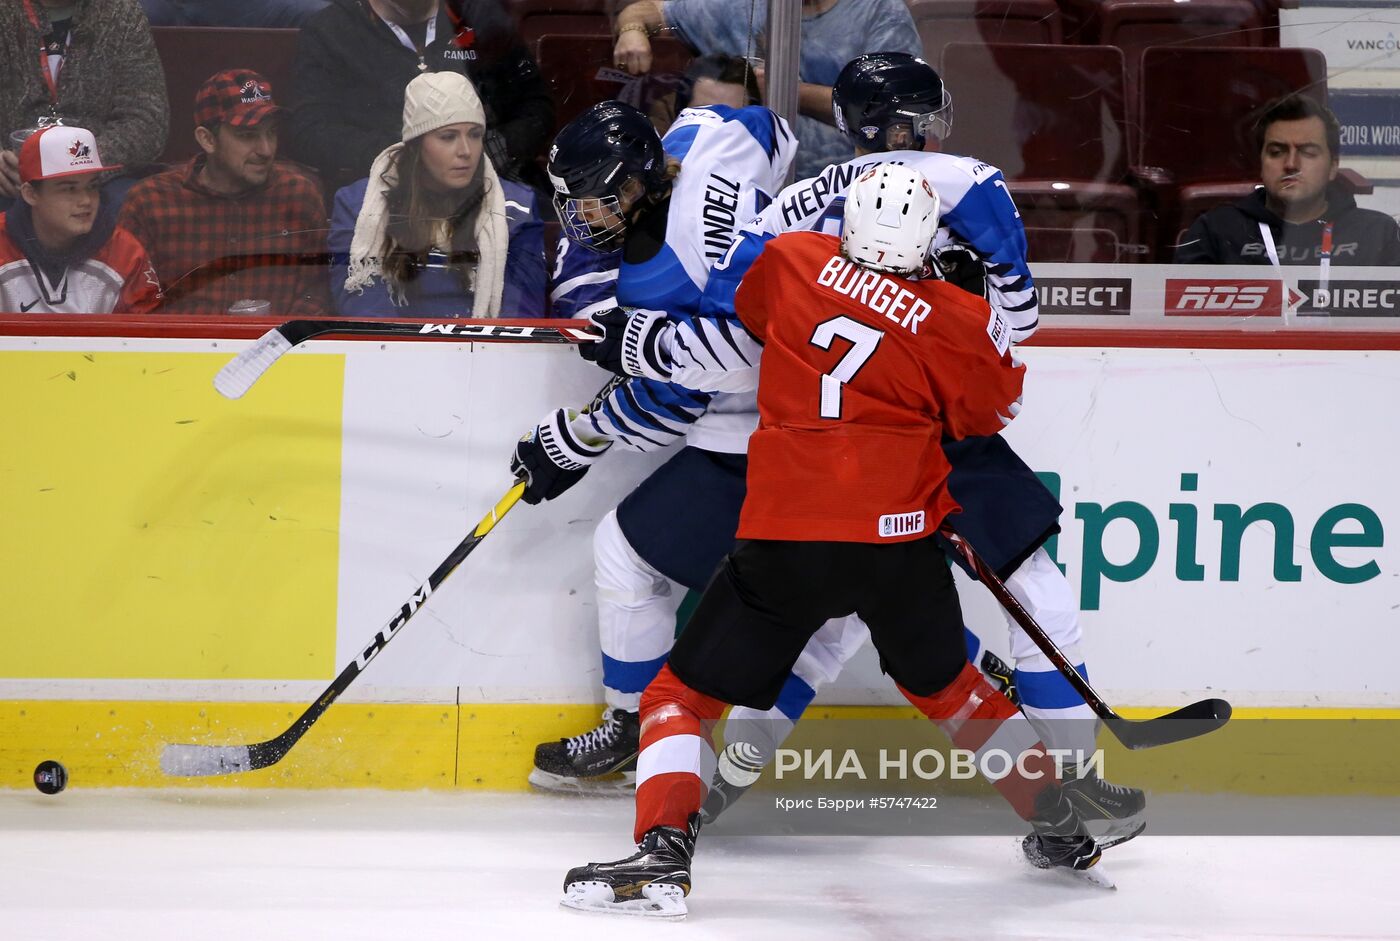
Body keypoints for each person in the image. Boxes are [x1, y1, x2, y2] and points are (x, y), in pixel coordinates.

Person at [537, 53, 1145, 849]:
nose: (925, 135)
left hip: (804, 477)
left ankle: (689, 803)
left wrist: (646, 342)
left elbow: (743, 337)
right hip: (912, 458)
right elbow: (1007, 369)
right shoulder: (964, 206)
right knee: (972, 636)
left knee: (782, 641)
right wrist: (956, 302)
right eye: (915, 122)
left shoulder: (789, 239)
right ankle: (1063, 792)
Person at [612, 0, 921, 178]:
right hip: (740, 193)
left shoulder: (881, 12)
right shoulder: (743, 5)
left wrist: (788, 89)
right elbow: (651, 10)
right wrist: (632, 31)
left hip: (840, 194)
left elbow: (892, 112)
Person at [328, 71, 545, 317]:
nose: (466, 150)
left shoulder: (518, 206)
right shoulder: (359, 205)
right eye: (448, 137)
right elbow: (365, 314)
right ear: (416, 145)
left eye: (475, 135)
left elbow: (521, 316)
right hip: (392, 352)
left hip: (487, 352)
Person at [119, 70, 329, 315]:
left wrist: (280, 341)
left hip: (280, 347)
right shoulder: (150, 202)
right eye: (248, 136)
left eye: (271, 132)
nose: (266, 149)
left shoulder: (298, 194)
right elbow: (132, 303)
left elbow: (318, 290)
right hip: (179, 349)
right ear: (207, 139)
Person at [288, 0, 554, 192]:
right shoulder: (331, 30)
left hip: (490, 181)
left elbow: (537, 106)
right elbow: (307, 129)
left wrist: (497, 148)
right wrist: (407, 156)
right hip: (388, 189)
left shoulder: (481, 16)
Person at [1174, 95, 1400, 266]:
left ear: (1333, 167)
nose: (1291, 163)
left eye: (1308, 152)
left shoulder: (1378, 233)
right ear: (1261, 163)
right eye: (1276, 151)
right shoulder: (1216, 230)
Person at [0, 0, 168, 204]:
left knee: (127, 202)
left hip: (96, 175)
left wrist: (77, 163)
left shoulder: (122, 14)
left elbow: (147, 120)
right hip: (10, 173)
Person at [0, 126, 160, 314]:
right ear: (31, 194)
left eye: (92, 186)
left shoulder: (126, 253)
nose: (86, 200)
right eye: (69, 189)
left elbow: (147, 337)